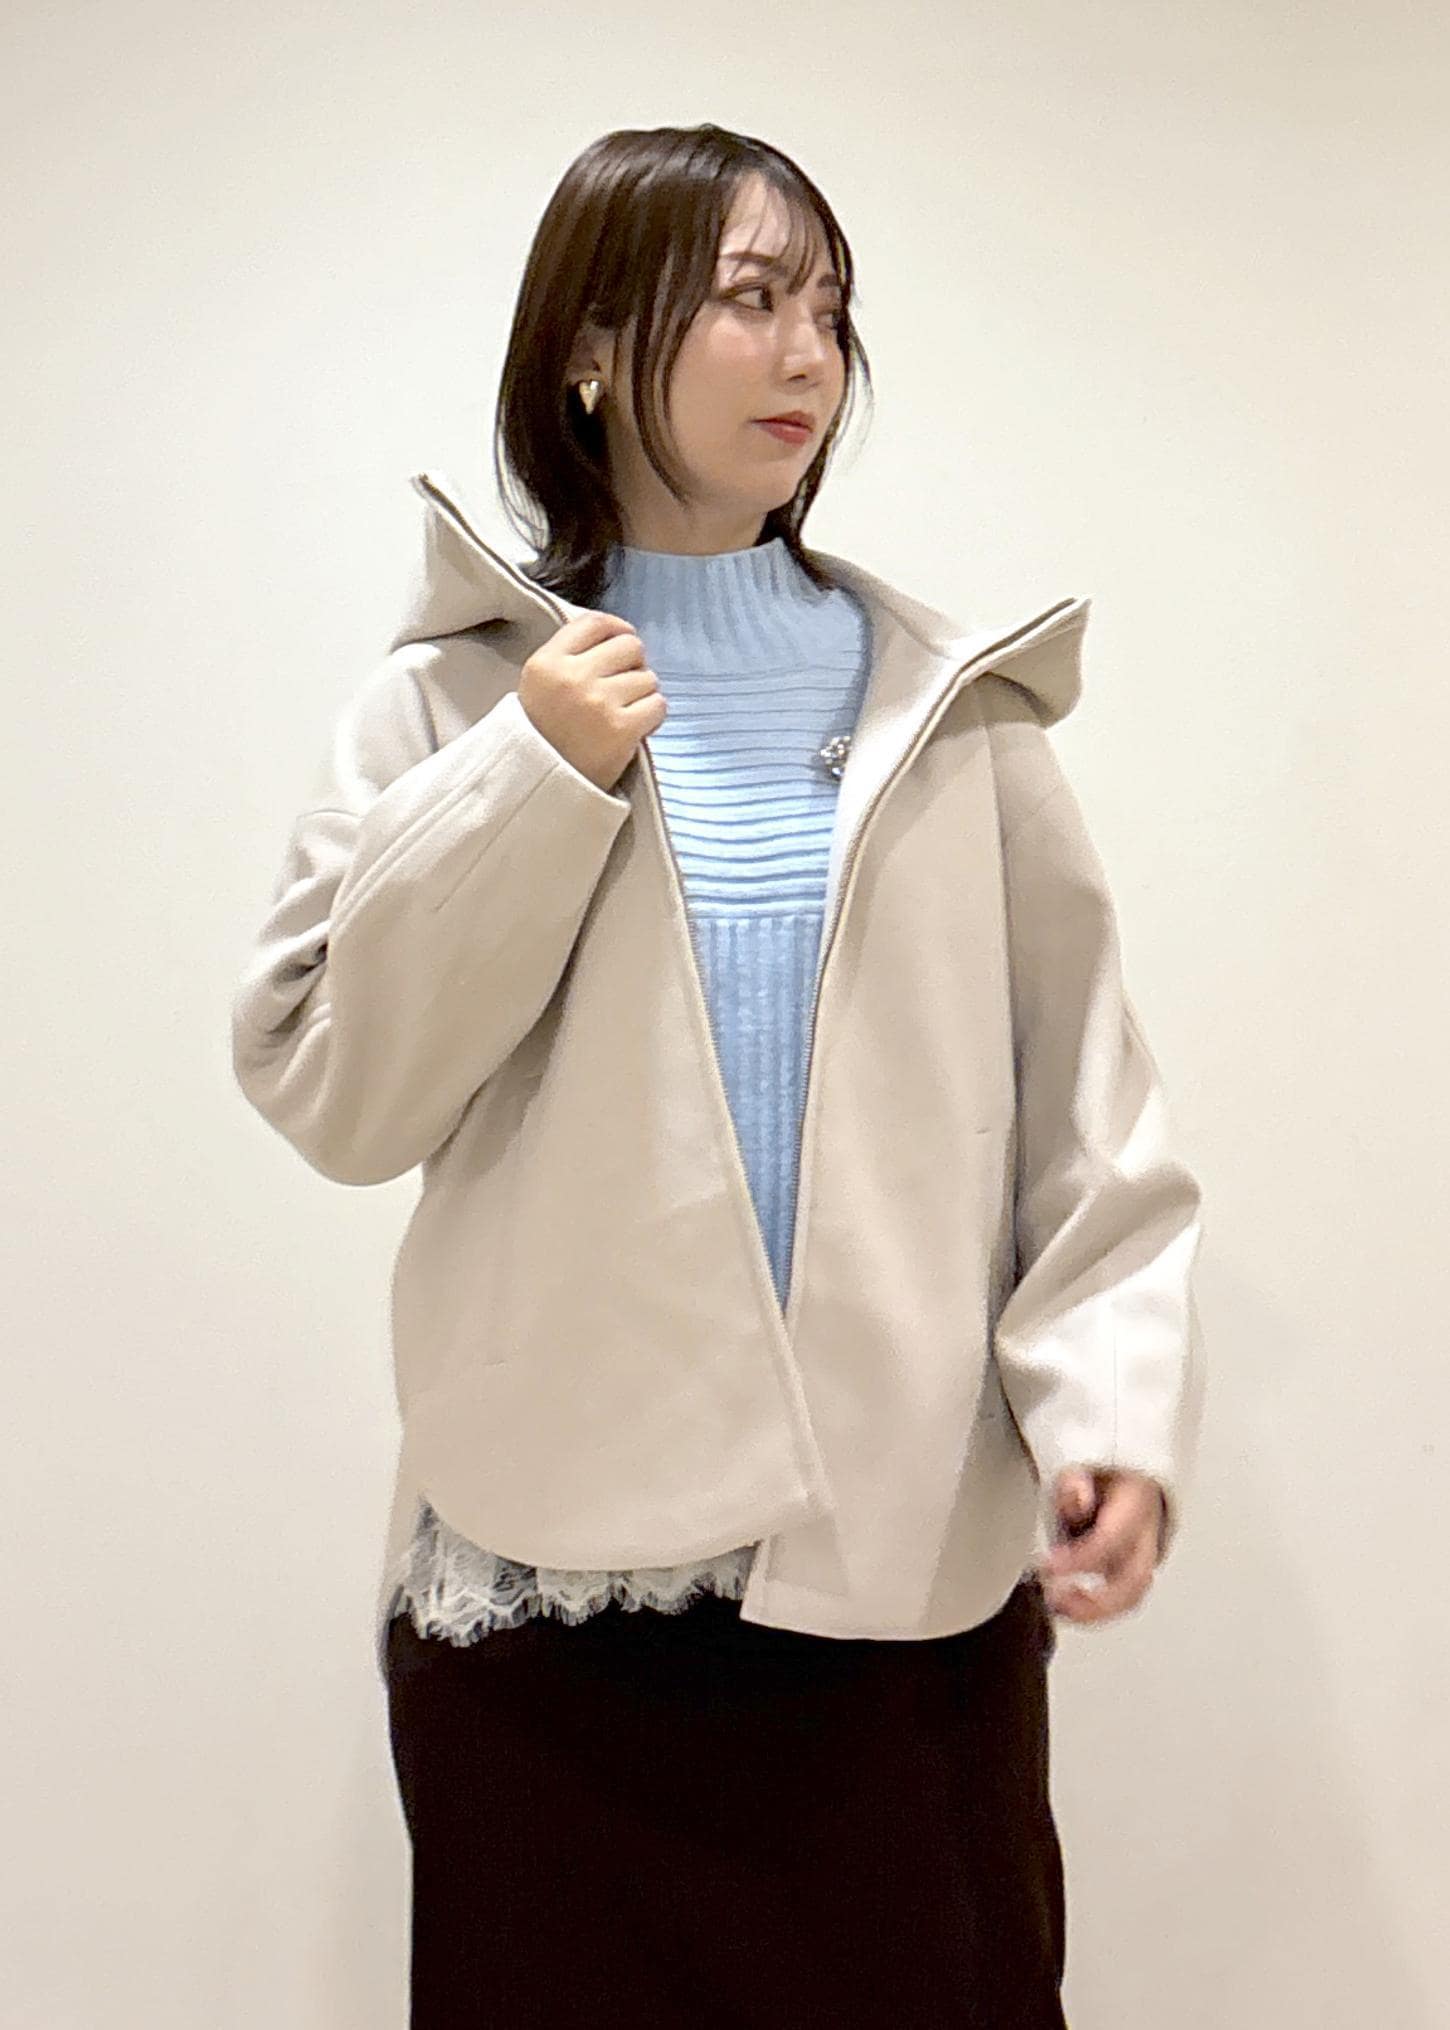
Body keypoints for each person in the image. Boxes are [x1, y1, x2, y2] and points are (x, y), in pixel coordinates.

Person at [230, 122, 1206, 2029]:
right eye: (751, 299)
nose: (807, 355)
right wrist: (529, 773)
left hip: (896, 1596)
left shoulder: (954, 717)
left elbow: (1087, 1117)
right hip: (550, 1611)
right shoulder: (452, 700)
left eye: (829, 310)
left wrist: (1107, 1407)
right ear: (594, 345)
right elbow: (339, 1092)